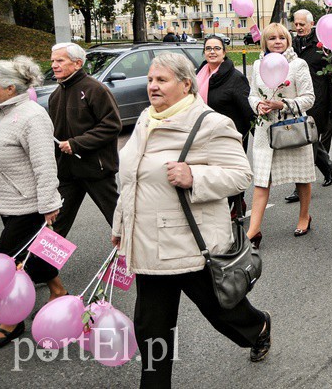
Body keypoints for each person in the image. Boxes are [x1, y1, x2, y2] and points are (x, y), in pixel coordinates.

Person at [109, 52, 268, 387]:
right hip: (150, 246)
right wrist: (120, 225)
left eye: (161, 80)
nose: (152, 86)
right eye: (151, 79)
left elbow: (240, 176)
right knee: (151, 328)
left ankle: (258, 328)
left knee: (223, 313)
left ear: (185, 84)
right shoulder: (145, 119)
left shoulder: (211, 124)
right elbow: (131, 180)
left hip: (191, 247)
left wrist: (194, 176)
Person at [0, 57, 64, 351]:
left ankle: (11, 321)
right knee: (34, 252)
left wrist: (48, 204)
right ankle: (57, 289)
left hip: (29, 203)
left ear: (9, 88)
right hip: (6, 199)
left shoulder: (32, 115)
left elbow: (45, 165)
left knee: (6, 261)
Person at [247, 23, 316, 246]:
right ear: (264, 41)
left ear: (288, 40)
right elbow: (252, 95)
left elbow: (309, 98)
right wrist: (259, 106)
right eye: (272, 38)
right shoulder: (258, 64)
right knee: (261, 179)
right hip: (265, 131)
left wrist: (282, 104)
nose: (277, 41)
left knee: (302, 177)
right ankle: (254, 230)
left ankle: (304, 216)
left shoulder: (298, 64)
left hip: (292, 129)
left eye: (282, 38)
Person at [47, 43, 122, 239]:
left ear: (77, 63)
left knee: (119, 220)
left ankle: (139, 261)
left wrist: (76, 143)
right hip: (67, 173)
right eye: (53, 60)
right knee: (56, 225)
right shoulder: (55, 95)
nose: (54, 65)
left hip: (96, 170)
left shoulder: (95, 89)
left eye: (60, 60)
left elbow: (112, 125)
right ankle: (43, 269)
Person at [287, 10, 332, 204]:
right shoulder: (290, 45)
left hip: (317, 101)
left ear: (311, 24)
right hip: (295, 99)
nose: (298, 28)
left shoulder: (322, 46)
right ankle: (327, 166)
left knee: (305, 143)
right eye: (296, 24)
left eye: (302, 24)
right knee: (310, 140)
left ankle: (300, 187)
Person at [196, 35, 254, 151]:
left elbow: (248, 113)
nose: (212, 52)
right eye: (208, 48)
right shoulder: (198, 76)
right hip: (204, 139)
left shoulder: (236, 78)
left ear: (224, 52)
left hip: (230, 140)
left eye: (217, 48)